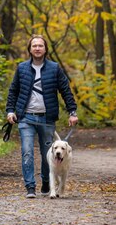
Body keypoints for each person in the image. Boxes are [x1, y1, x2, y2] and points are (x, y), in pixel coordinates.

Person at [6, 34, 78, 198]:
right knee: (27, 151)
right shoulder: (22, 68)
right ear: (30, 49)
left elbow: (65, 90)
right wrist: (10, 110)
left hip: (47, 119)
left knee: (50, 153)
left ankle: (46, 182)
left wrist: (72, 112)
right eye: (34, 46)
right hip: (26, 118)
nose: (37, 48)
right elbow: (13, 91)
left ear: (45, 49)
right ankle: (30, 187)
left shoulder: (54, 68)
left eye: (40, 46)